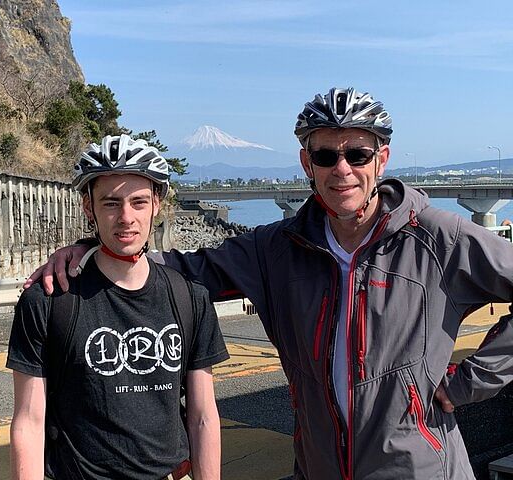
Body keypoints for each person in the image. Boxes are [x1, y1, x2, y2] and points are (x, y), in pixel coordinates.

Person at [27, 88, 513, 479]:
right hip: (318, 467)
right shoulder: (276, 247)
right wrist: (94, 251)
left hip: (420, 467)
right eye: (325, 154)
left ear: (381, 159)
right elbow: (179, 269)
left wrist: (472, 381)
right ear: (307, 164)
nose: (341, 168)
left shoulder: (436, 238)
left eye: (357, 153)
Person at [8, 134, 229, 480]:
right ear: (88, 207)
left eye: (138, 202)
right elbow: (29, 421)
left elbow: (202, 416)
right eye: (111, 204)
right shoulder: (48, 302)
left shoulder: (190, 299)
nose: (126, 217)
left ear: (158, 204)